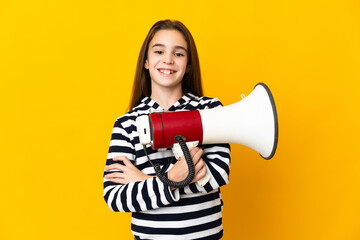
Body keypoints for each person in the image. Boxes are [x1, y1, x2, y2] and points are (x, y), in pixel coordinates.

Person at [103, 19, 231, 240]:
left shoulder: (210, 111)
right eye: (159, 51)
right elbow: (115, 197)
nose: (168, 60)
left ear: (189, 65)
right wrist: (174, 176)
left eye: (179, 54)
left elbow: (217, 175)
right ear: (146, 61)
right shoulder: (126, 123)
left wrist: (145, 180)